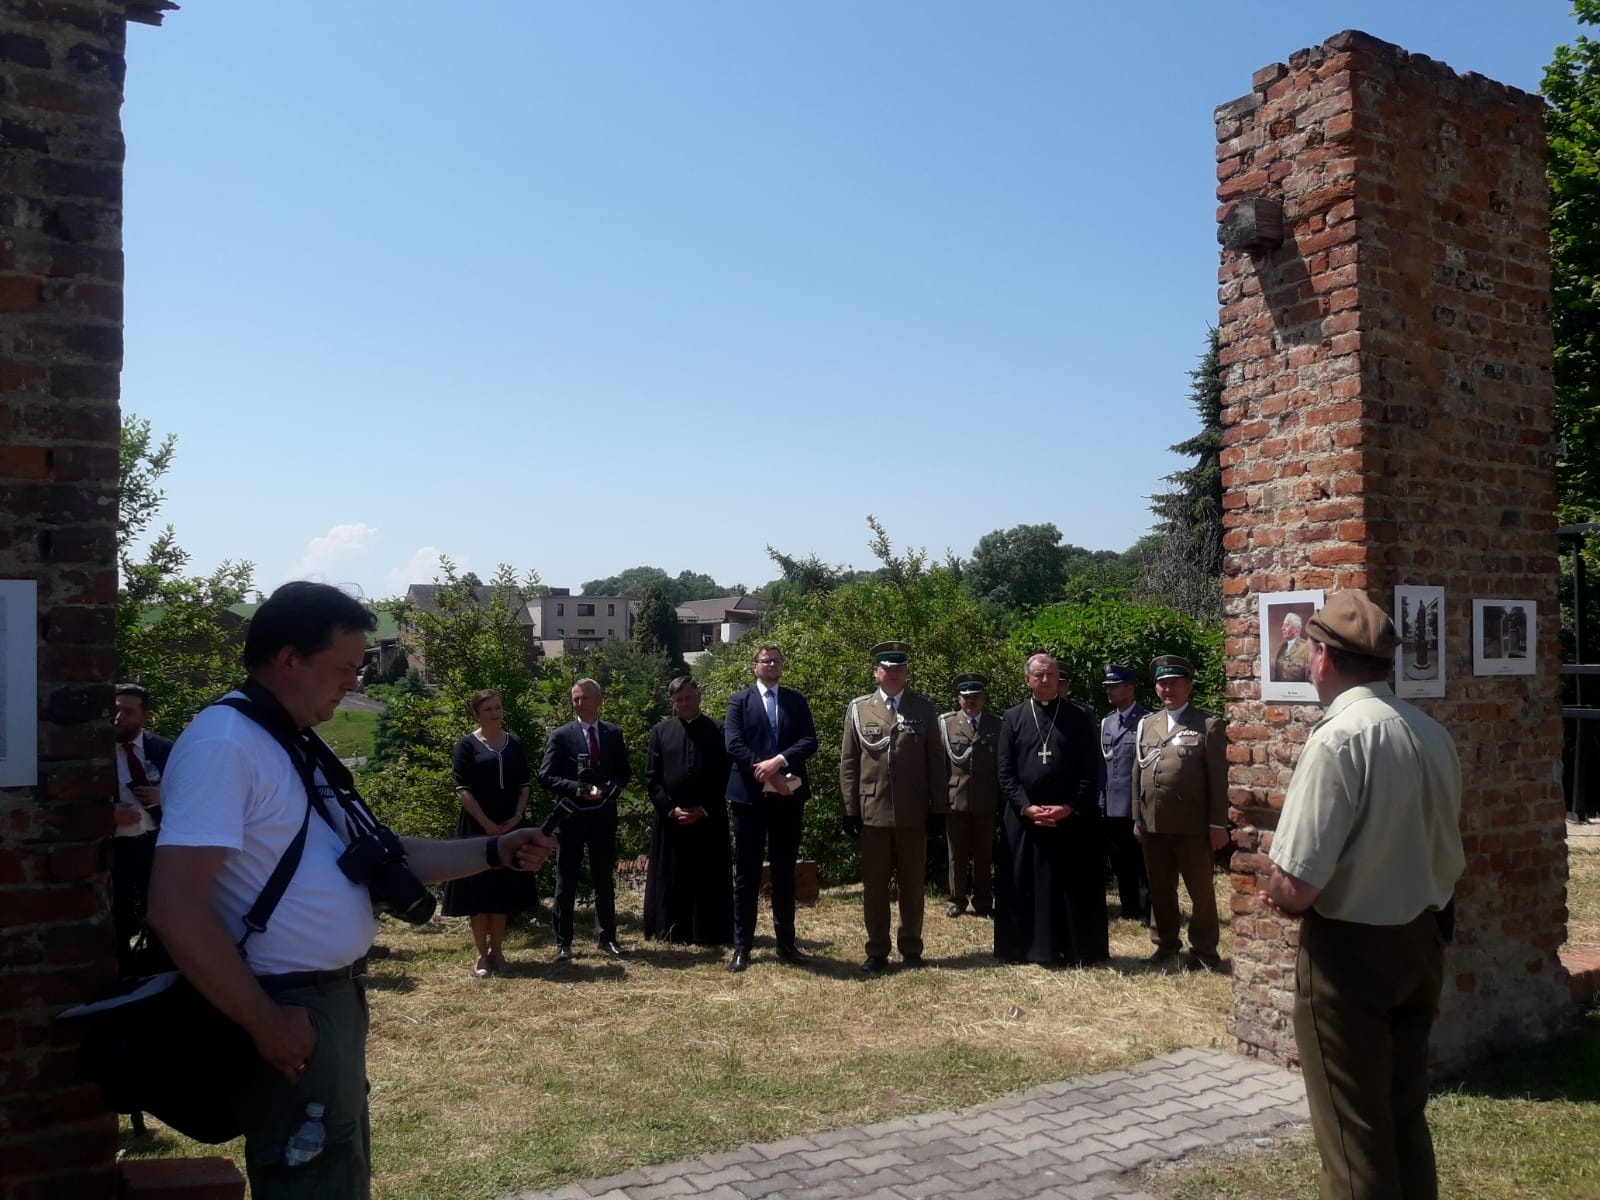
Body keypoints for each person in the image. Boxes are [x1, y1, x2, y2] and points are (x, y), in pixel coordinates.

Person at [148, 581, 554, 1198]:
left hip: (322, 1004)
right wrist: (265, 1022)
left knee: (336, 1172)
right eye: (343, 668)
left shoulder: (286, 741)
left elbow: (381, 859)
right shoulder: (225, 744)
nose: (354, 684)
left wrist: (495, 850)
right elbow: (174, 903)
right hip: (285, 1003)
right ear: (289, 658)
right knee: (312, 1179)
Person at [1259, 590, 1464, 1200]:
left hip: (1352, 957)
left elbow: (1297, 884)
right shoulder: (1431, 732)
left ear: (1321, 658)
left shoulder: (1337, 739)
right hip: (1422, 942)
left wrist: (1282, 893)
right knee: (1403, 1117)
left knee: (1353, 1137)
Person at [839, 641, 948, 972]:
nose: (893, 673)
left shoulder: (923, 708)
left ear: (906, 673)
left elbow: (936, 762)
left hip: (914, 812)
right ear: (876, 672)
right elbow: (849, 763)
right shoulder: (859, 709)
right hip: (872, 812)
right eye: (887, 668)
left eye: (899, 668)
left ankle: (911, 947)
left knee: (912, 886)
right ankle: (876, 950)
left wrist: (938, 809)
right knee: (874, 887)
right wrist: (850, 810)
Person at [993, 654, 1107, 966]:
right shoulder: (1013, 718)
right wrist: (1026, 807)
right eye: (1039, 676)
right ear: (1028, 680)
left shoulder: (1080, 717)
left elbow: (1090, 770)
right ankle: (1023, 949)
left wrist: (1069, 807)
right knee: (1022, 883)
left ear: (1060, 680)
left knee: (1069, 885)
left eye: (1051, 675)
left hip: (1069, 819)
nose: (1046, 681)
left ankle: (1073, 949)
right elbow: (1005, 772)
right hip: (1024, 819)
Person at [724, 642, 818, 973]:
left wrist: (778, 763)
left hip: (788, 797)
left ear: (782, 665)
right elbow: (733, 743)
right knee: (747, 874)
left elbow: (809, 740)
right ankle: (742, 947)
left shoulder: (795, 700)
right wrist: (761, 770)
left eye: (776, 660)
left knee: (783, 872)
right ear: (755, 666)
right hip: (749, 798)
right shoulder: (739, 701)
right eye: (765, 661)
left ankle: (787, 944)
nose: (771, 665)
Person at [1133, 654, 1228, 971]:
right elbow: (1137, 774)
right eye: (1162, 683)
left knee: (1200, 892)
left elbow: (1218, 779)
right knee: (1159, 888)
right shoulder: (1147, 724)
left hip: (1193, 825)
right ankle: (1165, 945)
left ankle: (1204, 950)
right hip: (1153, 824)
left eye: (1174, 683)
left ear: (1188, 686)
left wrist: (1217, 823)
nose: (1167, 689)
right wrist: (1138, 817)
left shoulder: (1208, 725)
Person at [441, 689, 533, 978]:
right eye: (488, 709)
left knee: (501, 891)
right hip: (476, 828)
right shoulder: (466, 745)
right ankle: (481, 955)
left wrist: (517, 816)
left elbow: (525, 783)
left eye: (498, 707)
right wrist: (485, 822)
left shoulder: (514, 743)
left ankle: (499, 953)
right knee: (478, 893)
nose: (495, 713)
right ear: (477, 714)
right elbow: (462, 789)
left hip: (510, 825)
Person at [539, 677, 631, 962]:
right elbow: (545, 776)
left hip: (602, 815)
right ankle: (563, 943)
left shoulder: (613, 733)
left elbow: (623, 771)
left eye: (585, 698)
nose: (579, 703)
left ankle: (607, 938)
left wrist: (609, 790)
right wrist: (577, 789)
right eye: (575, 698)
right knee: (566, 881)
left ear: (599, 700)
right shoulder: (561, 736)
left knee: (604, 879)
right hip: (572, 817)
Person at [642, 675, 733, 947]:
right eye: (678, 699)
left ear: (699, 696)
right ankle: (671, 929)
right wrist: (671, 810)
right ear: (672, 702)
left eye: (688, 697)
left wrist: (704, 809)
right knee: (672, 877)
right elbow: (651, 777)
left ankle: (710, 932)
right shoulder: (661, 732)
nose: (684, 703)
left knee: (709, 878)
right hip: (672, 820)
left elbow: (726, 775)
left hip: (709, 818)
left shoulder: (719, 730)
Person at [111, 683, 174, 975]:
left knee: (161, 914)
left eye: (128, 711)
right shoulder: (93, 753)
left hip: (155, 845)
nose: (119, 717)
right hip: (113, 851)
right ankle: (122, 976)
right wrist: (109, 815)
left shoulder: (164, 749)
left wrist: (164, 797)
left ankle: (159, 973)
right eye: (115, 709)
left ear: (145, 716)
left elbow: (193, 795)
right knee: (118, 917)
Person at [940, 673, 1001, 920]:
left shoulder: (997, 724)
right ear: (958, 699)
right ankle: (957, 900)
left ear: (983, 698)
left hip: (986, 800)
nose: (971, 701)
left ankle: (984, 900)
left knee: (984, 854)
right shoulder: (945, 724)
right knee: (957, 854)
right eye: (966, 697)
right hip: (956, 800)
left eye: (975, 697)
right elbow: (940, 764)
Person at [1098, 664, 1150, 923]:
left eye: (1114, 687)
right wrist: (1101, 801)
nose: (1109, 691)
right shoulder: (1107, 722)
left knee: (1142, 861)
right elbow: (1103, 766)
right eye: (1108, 687)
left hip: (1137, 805)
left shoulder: (1146, 721)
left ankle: (1144, 909)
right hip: (1113, 805)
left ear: (1129, 688)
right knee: (1121, 861)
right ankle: (1128, 907)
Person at [1274, 611, 1311, 683]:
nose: (1282, 628)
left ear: (1296, 629)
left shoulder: (1306, 648)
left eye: (1286, 625)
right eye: (1283, 625)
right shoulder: (1283, 647)